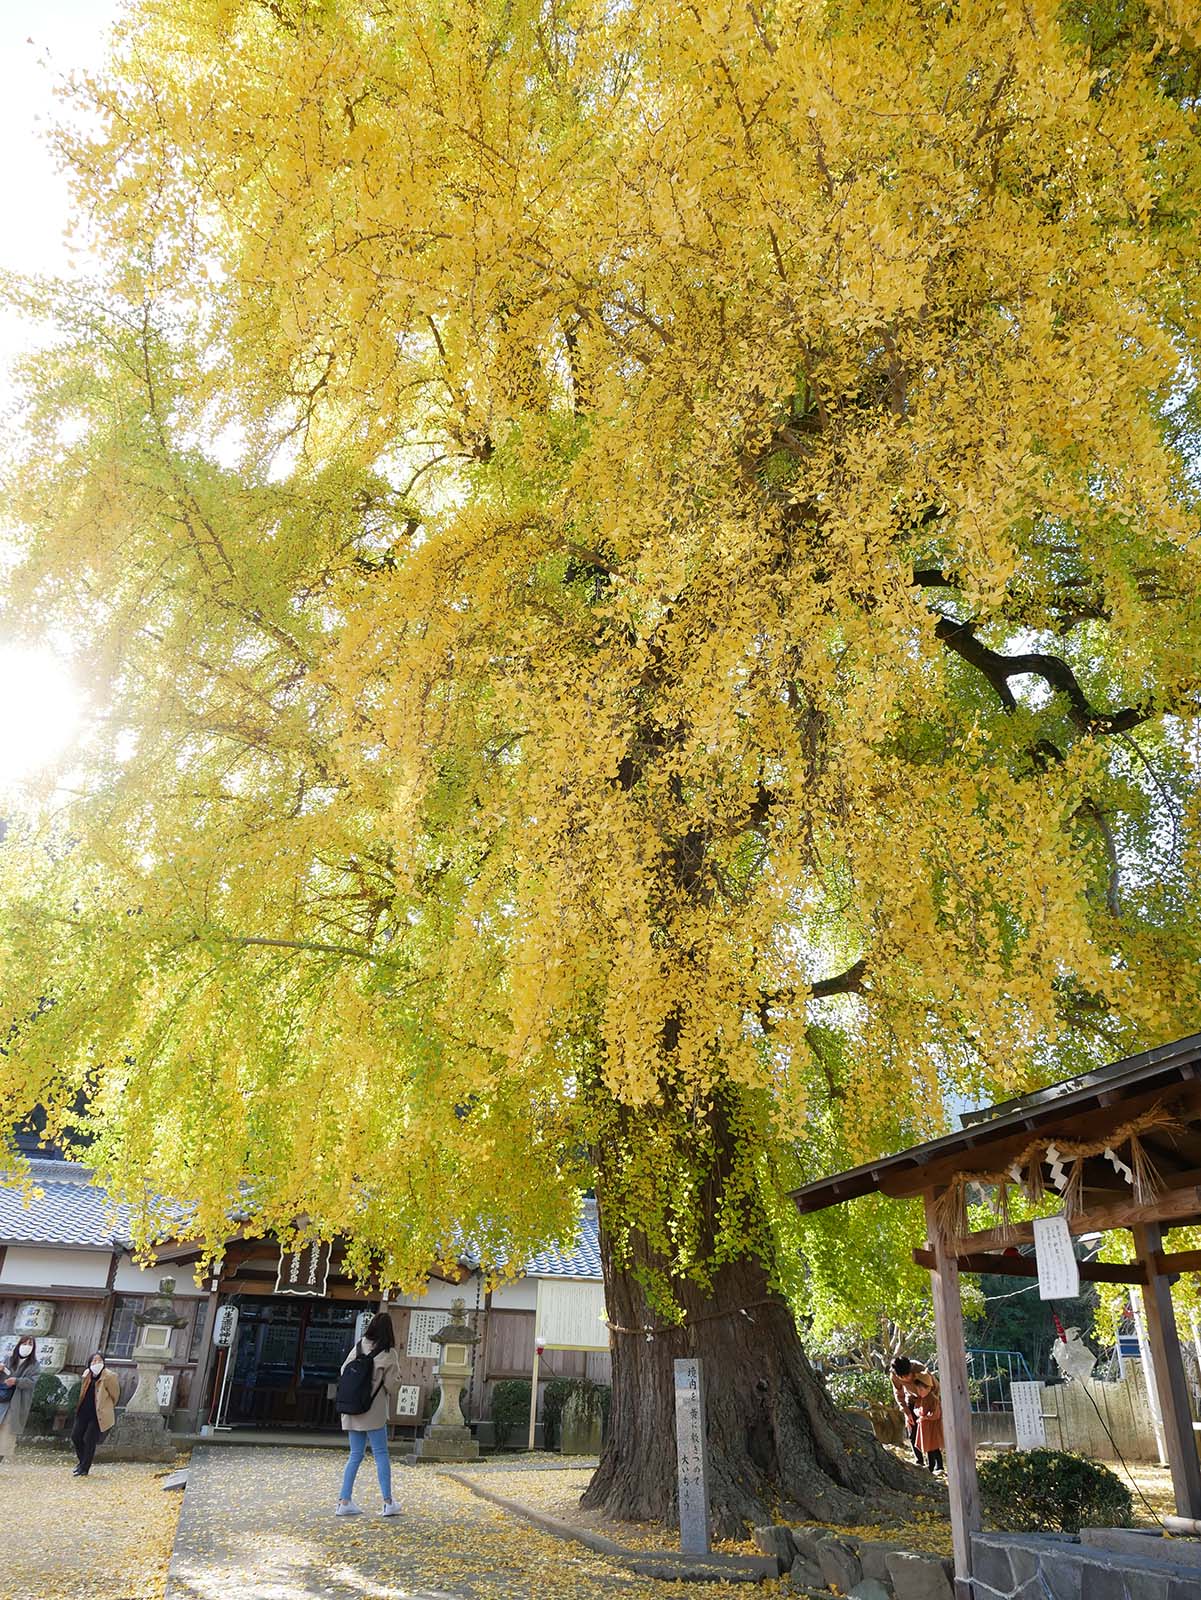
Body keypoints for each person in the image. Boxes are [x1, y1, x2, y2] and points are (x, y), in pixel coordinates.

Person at [335, 1311, 401, 1517]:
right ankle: (388, 1502)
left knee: (355, 1455)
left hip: (352, 1408)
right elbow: (392, 1386)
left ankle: (344, 1501)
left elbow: (343, 1371)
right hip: (373, 1411)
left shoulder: (358, 1346)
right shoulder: (388, 1354)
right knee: (380, 1454)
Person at [72, 1352, 121, 1476]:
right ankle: (82, 1461)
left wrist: (107, 1407)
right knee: (76, 1436)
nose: (96, 1363)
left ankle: (84, 1468)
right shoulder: (86, 1374)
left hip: (98, 1414)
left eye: (99, 1361)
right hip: (84, 1411)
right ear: (89, 1363)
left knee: (89, 1439)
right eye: (94, 1361)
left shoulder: (109, 1376)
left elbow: (115, 1394)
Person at [0, 1337, 42, 1463]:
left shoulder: (34, 1365)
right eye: (24, 1343)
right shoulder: (8, 1359)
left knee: (6, 1436)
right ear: (18, 1344)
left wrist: (17, 1381)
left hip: (17, 1402)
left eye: (30, 1344)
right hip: (2, 1399)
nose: (26, 1346)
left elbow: (32, 1382)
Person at [890, 1355, 934, 1466]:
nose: (907, 1379)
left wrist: (932, 1406)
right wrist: (906, 1412)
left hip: (926, 1400)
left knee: (928, 1431)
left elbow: (934, 1387)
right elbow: (899, 1394)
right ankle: (919, 1461)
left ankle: (933, 1464)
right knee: (912, 1431)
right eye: (903, 1377)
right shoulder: (894, 1376)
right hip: (911, 1400)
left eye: (908, 1375)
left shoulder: (919, 1368)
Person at [910, 1369, 944, 1476]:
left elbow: (936, 1413)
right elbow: (916, 1408)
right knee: (928, 1446)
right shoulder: (920, 1399)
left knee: (934, 1446)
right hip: (924, 1427)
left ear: (929, 1388)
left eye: (922, 1389)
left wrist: (925, 1417)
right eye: (918, 1389)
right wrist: (918, 1414)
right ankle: (931, 1465)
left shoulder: (933, 1399)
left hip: (932, 1426)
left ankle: (938, 1465)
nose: (919, 1392)